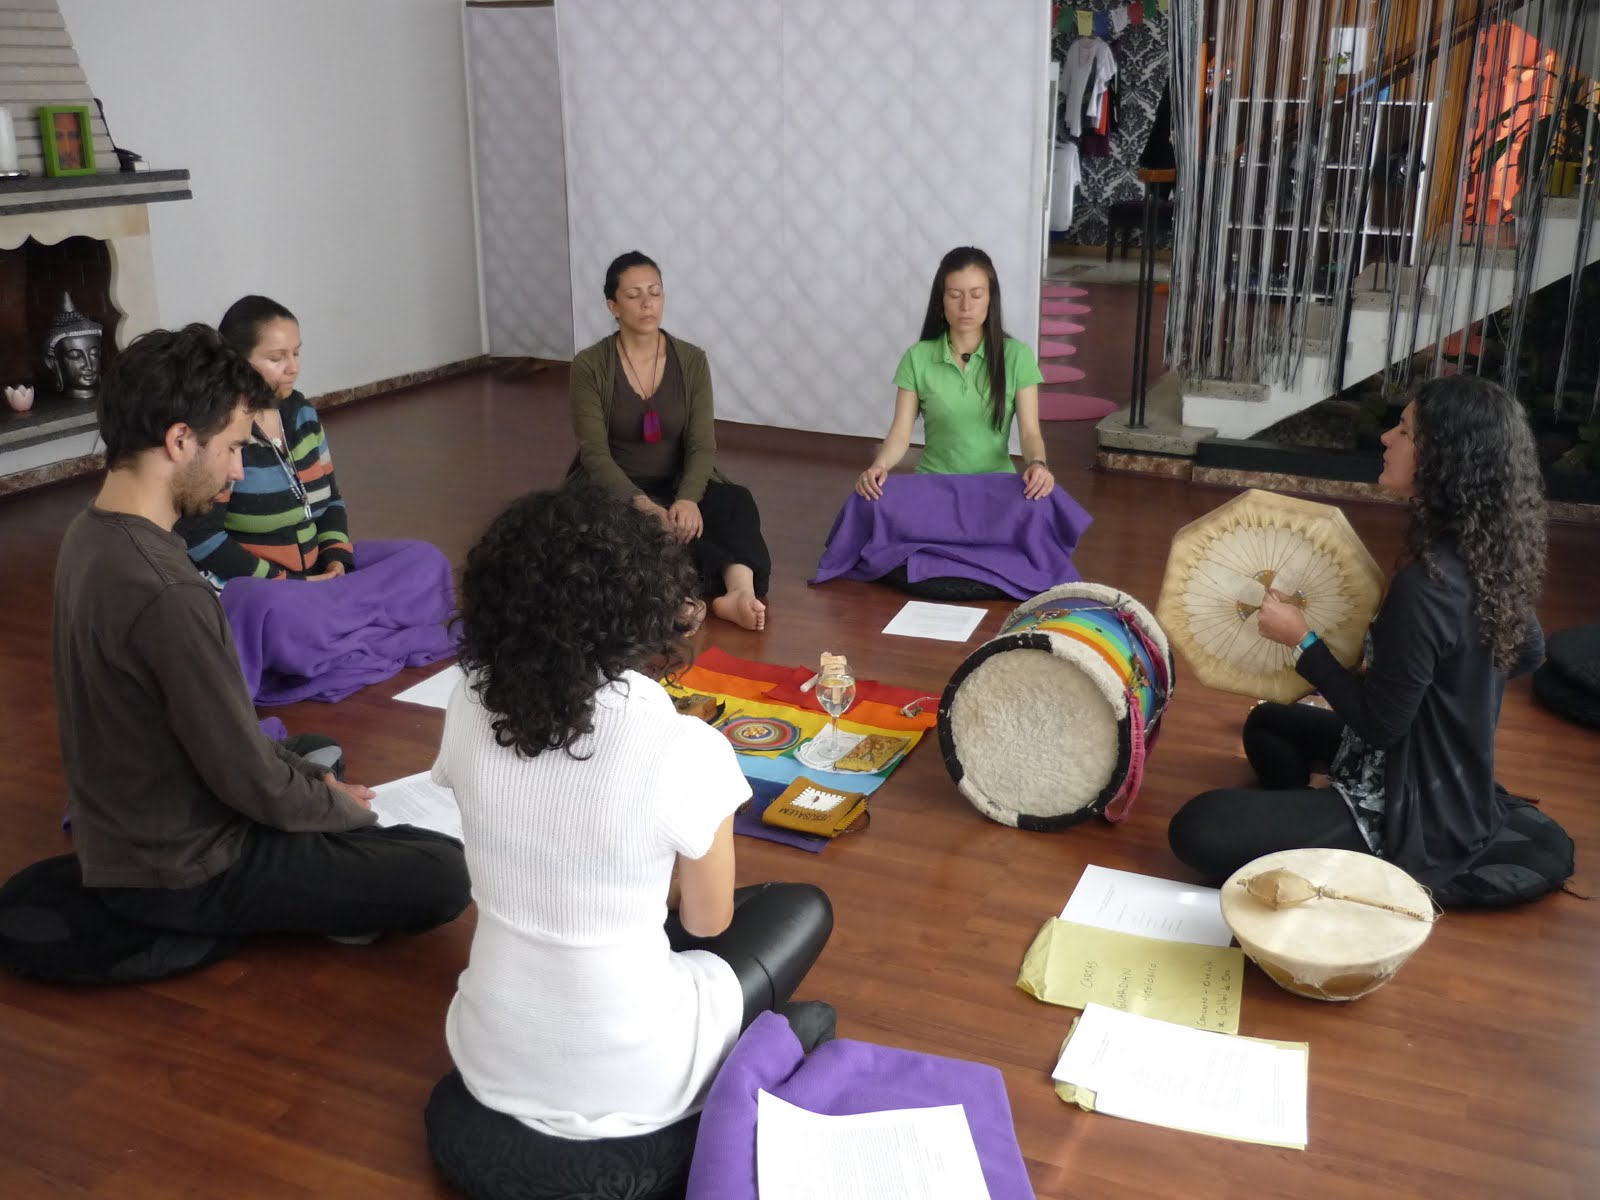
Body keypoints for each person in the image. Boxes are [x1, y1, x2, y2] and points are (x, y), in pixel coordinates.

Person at [433, 482, 833, 1158]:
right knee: (803, 908)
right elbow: (706, 925)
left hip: (489, 1051)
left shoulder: (467, 701)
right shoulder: (685, 748)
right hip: (643, 1077)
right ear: (642, 603)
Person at [50, 324, 470, 948]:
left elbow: (221, 739)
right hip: (182, 867)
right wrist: (339, 810)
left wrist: (313, 786)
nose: (238, 471)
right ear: (179, 440)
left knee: (313, 752)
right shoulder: (170, 590)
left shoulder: (90, 534)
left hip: (127, 823)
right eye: (231, 448)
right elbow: (242, 774)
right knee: (442, 872)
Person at [1168, 376, 1574, 907]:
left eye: (1404, 430)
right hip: (1439, 772)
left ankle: (1344, 843)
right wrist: (1414, 678)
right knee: (1267, 723)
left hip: (1410, 804)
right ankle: (1305, 830)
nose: (1387, 437)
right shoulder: (1487, 552)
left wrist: (1304, 641)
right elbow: (1527, 653)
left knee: (1197, 827)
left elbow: (1381, 726)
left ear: (1442, 455)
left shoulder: (1428, 585)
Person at [174, 295, 456, 704]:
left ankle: (336, 623)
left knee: (425, 561)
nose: (293, 367)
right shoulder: (221, 430)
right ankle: (345, 624)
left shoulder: (302, 413)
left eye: (296, 353)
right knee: (282, 617)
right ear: (237, 361)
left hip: (319, 579)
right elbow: (203, 539)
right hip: (268, 591)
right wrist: (292, 585)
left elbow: (331, 502)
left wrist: (337, 559)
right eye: (277, 357)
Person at [813, 246, 1092, 599]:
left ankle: (939, 561)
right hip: (935, 492)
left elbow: (1031, 433)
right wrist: (878, 467)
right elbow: (900, 433)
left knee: (1041, 502)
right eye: (955, 295)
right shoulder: (918, 357)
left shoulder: (1016, 356)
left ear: (991, 299)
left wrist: (1038, 465)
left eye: (976, 295)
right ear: (940, 300)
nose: (966, 306)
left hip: (995, 493)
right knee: (871, 498)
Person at [569, 251, 772, 631]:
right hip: (616, 487)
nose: (647, 303)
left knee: (735, 503)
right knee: (615, 530)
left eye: (655, 292)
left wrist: (688, 498)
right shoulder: (590, 365)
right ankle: (674, 598)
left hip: (677, 482)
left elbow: (702, 443)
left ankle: (739, 592)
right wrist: (643, 504)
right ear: (613, 305)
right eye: (633, 295)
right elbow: (593, 452)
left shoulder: (691, 360)